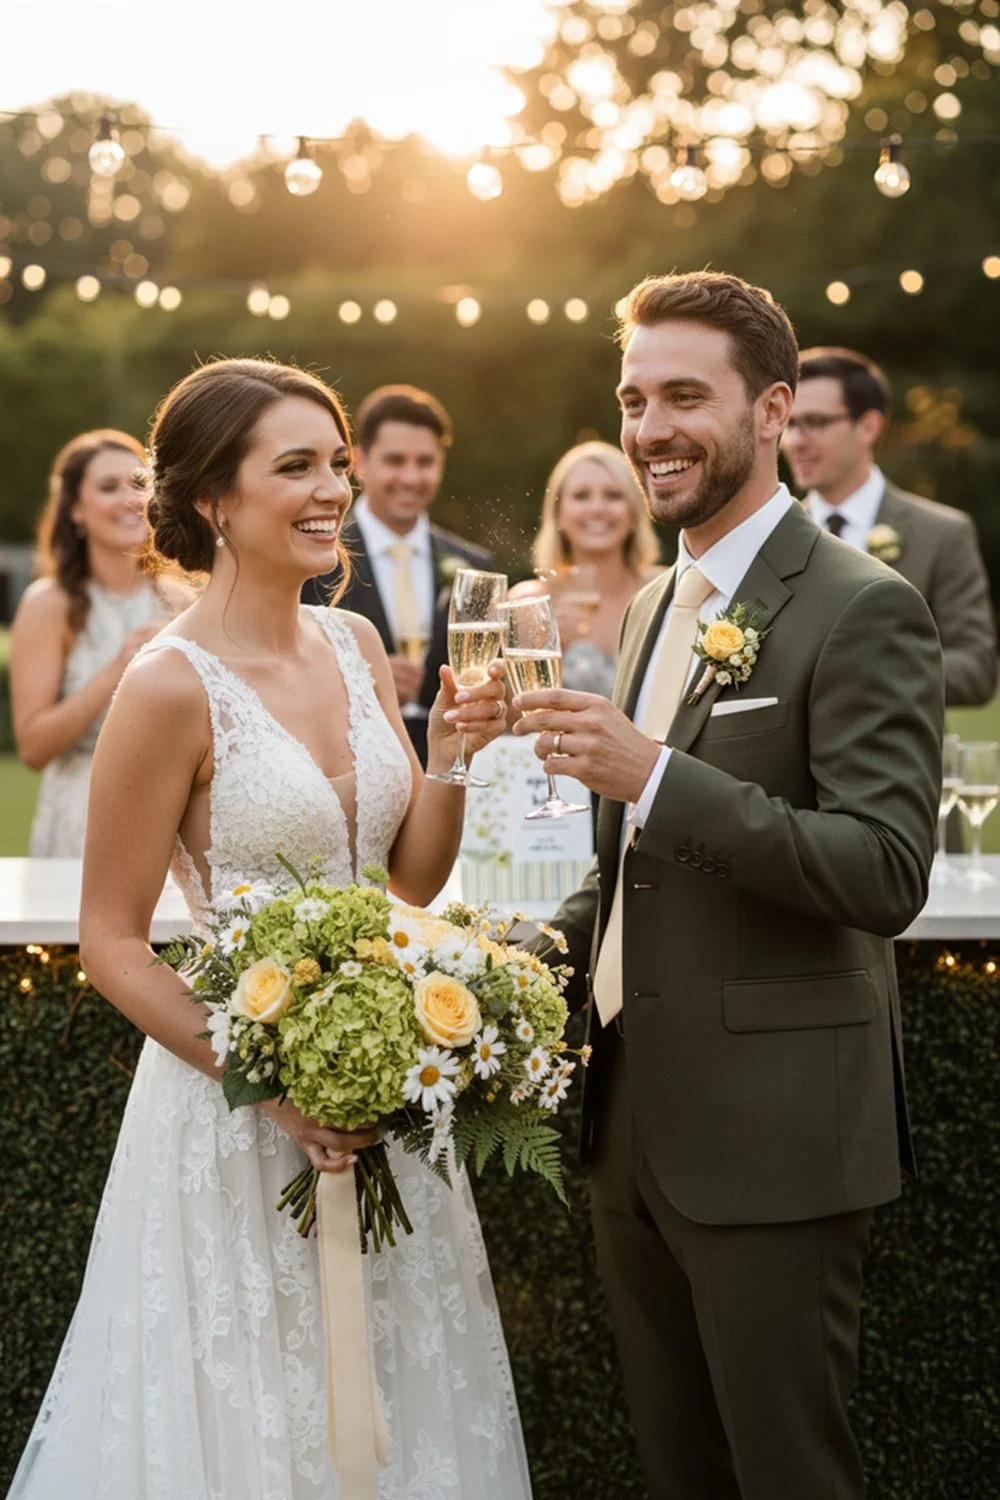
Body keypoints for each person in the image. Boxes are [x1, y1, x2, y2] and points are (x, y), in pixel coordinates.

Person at [8, 359, 530, 1500]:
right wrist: (272, 1086)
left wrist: (447, 755)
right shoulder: (166, 684)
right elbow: (112, 944)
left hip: (390, 1101)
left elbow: (406, 884)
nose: (332, 489)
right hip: (232, 1117)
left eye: (336, 462)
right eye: (294, 467)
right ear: (212, 500)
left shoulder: (349, 644)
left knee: (401, 1412)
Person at [512, 272, 943, 1500]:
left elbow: (883, 868)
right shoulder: (658, 603)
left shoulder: (864, 607)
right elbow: (631, 873)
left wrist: (655, 774)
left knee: (789, 1474)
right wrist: (512, 964)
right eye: (633, 398)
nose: (648, 427)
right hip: (631, 1124)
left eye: (682, 396)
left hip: (774, 1136)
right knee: (681, 1472)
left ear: (770, 410)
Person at [783, 346, 996, 707]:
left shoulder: (942, 533)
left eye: (815, 422)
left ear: (868, 426)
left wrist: (871, 672)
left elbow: (976, 670)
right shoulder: (774, 538)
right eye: (789, 423)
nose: (796, 441)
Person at [9, 430, 184, 856]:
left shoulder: (183, 600)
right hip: (82, 819)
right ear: (75, 511)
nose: (130, 499)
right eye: (108, 488)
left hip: (170, 816)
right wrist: (120, 668)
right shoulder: (50, 604)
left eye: (139, 484)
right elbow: (33, 747)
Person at [301, 384, 492, 766]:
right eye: (395, 461)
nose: (411, 477)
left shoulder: (474, 566)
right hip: (347, 766)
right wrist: (357, 681)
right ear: (360, 463)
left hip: (452, 770)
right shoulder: (312, 562)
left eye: (425, 462)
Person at [508, 439, 661, 697]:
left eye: (613, 495)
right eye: (581, 496)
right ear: (558, 515)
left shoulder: (665, 590)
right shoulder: (528, 604)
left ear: (635, 511)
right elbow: (511, 720)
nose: (597, 508)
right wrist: (549, 654)